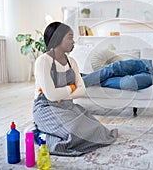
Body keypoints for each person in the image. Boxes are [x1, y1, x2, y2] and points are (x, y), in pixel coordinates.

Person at [33, 22, 117, 156]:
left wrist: (62, 93)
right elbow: (51, 96)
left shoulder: (71, 61)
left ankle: (47, 130)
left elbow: (82, 90)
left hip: (67, 106)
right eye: (70, 37)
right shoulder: (43, 61)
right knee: (73, 134)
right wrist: (71, 88)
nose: (74, 41)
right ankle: (38, 134)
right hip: (46, 108)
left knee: (98, 129)